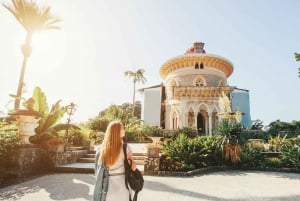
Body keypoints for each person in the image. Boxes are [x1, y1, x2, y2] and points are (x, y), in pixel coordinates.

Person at [93, 120, 136, 201]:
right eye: (122, 128)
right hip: (123, 186)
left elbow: (97, 171)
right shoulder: (126, 148)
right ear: (118, 131)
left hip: (107, 188)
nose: (124, 129)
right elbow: (133, 167)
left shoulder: (101, 149)